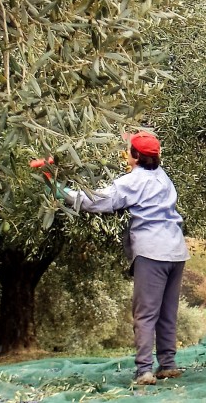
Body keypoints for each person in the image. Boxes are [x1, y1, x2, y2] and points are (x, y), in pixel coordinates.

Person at [62, 131, 190, 385]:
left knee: (145, 314)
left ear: (134, 156)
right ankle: (168, 364)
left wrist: (64, 192)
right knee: (167, 312)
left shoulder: (134, 180)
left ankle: (144, 370)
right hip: (176, 250)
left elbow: (99, 200)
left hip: (152, 252)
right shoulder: (164, 178)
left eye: (128, 149)